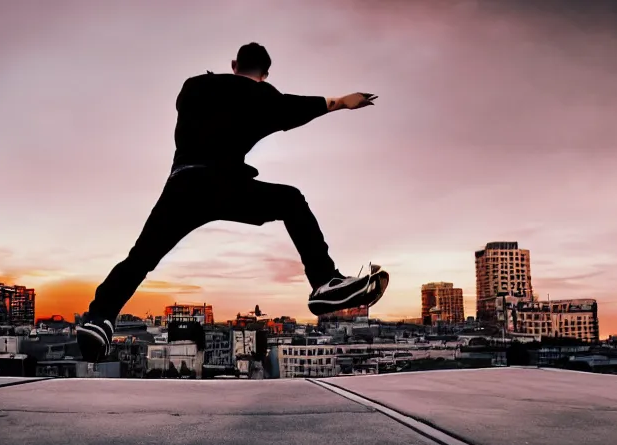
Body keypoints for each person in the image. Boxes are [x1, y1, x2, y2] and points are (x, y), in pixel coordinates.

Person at [76, 42, 388, 363]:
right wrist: (344, 103)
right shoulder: (266, 98)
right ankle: (324, 281)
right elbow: (307, 105)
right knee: (291, 201)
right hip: (228, 186)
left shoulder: (195, 85)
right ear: (265, 75)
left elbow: (195, 103)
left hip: (183, 184)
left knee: (141, 258)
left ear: (235, 64)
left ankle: (99, 319)